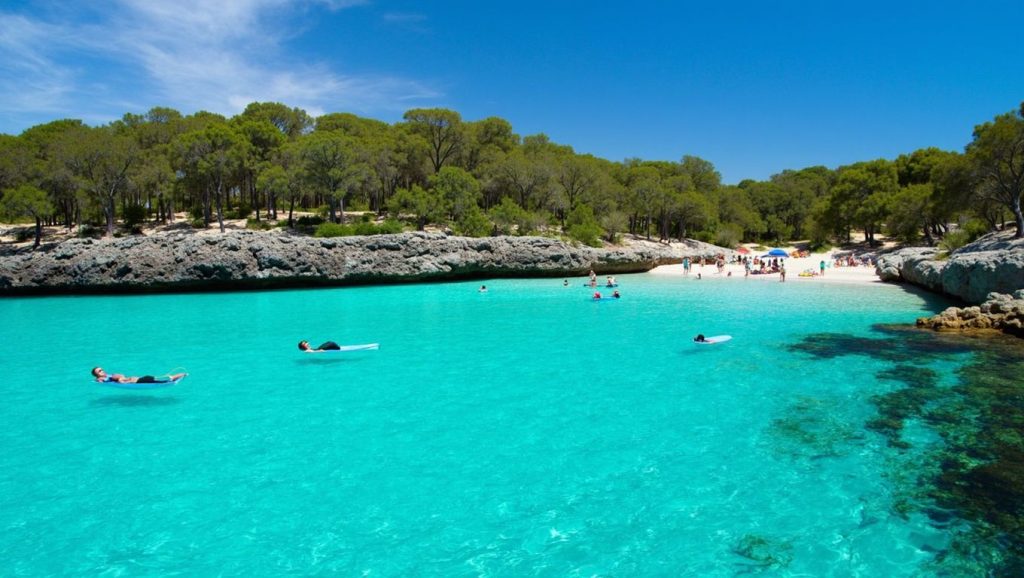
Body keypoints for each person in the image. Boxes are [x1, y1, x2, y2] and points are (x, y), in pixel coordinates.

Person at [92, 367, 185, 384]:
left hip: (137, 380)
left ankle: (179, 376)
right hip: (136, 381)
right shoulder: (102, 379)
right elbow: (98, 381)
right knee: (160, 380)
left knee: (161, 379)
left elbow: (121, 375)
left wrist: (120, 378)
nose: (103, 371)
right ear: (97, 374)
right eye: (100, 371)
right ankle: (179, 375)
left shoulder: (109, 375)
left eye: (102, 369)